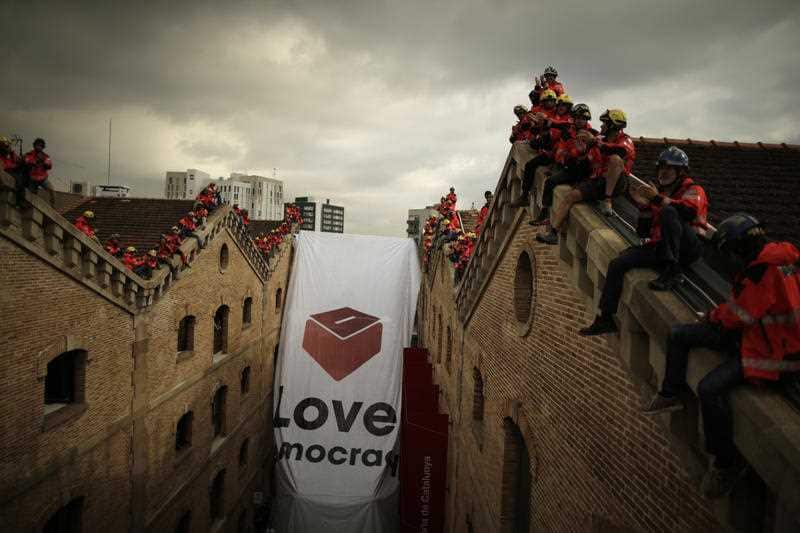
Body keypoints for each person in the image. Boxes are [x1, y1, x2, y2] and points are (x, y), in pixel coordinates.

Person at [641, 213, 800, 498]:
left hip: (771, 353)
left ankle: (724, 465)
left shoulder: (763, 272)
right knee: (679, 335)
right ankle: (671, 392)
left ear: (741, 249)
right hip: (757, 337)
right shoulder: (774, 260)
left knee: (709, 388)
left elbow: (739, 315)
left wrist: (712, 315)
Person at [580, 146, 708, 335]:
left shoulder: (693, 190)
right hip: (661, 246)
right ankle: (605, 318)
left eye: (669, 168)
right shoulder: (658, 195)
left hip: (687, 247)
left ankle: (673, 271)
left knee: (670, 211)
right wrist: (645, 207)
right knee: (618, 263)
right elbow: (643, 232)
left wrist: (656, 198)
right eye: (661, 168)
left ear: (680, 172)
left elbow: (687, 212)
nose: (663, 172)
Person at [536, 108, 635, 245]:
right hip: (598, 181)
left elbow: (621, 151)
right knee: (570, 196)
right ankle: (553, 233)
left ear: (613, 125)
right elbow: (586, 160)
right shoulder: (597, 138)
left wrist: (595, 142)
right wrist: (582, 152)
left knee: (615, 159)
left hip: (617, 182)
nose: (601, 126)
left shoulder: (625, 140)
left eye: (605, 123)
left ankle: (607, 200)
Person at [529, 103, 597, 226]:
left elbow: (594, 158)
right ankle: (544, 212)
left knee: (553, 180)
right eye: (578, 118)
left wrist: (582, 151)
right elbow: (554, 127)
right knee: (550, 179)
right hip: (569, 165)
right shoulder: (567, 130)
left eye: (583, 118)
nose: (580, 121)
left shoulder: (593, 135)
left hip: (585, 169)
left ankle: (547, 216)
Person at [510, 94, 574, 208]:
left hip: (565, 155)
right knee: (530, 165)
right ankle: (524, 195)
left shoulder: (570, 119)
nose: (561, 108)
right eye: (560, 105)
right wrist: (538, 125)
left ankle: (543, 209)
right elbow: (536, 130)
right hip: (551, 151)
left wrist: (547, 122)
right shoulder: (552, 116)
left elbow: (562, 126)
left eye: (564, 106)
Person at [17, 138, 55, 206]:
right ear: (34, 146)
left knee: (51, 190)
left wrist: (44, 162)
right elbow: (27, 161)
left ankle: (53, 205)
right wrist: (35, 161)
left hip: (43, 177)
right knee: (31, 195)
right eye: (38, 145)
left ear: (43, 147)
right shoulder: (29, 154)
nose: (39, 147)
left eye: (41, 146)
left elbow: (49, 165)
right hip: (32, 178)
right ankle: (27, 205)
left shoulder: (45, 156)